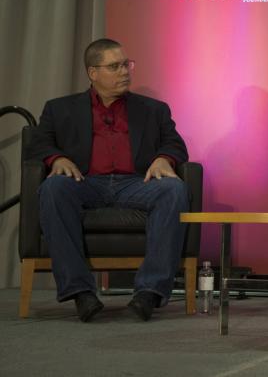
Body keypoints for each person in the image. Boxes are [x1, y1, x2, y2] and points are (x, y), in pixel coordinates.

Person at [27, 38, 190, 322]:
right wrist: (58, 159)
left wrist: (165, 157)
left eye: (126, 64)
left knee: (174, 189)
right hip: (84, 182)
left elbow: (175, 144)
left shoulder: (153, 109)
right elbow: (39, 144)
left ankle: (149, 292)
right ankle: (81, 292)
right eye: (115, 66)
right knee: (53, 187)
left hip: (136, 184)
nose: (125, 71)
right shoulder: (59, 108)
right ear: (93, 73)